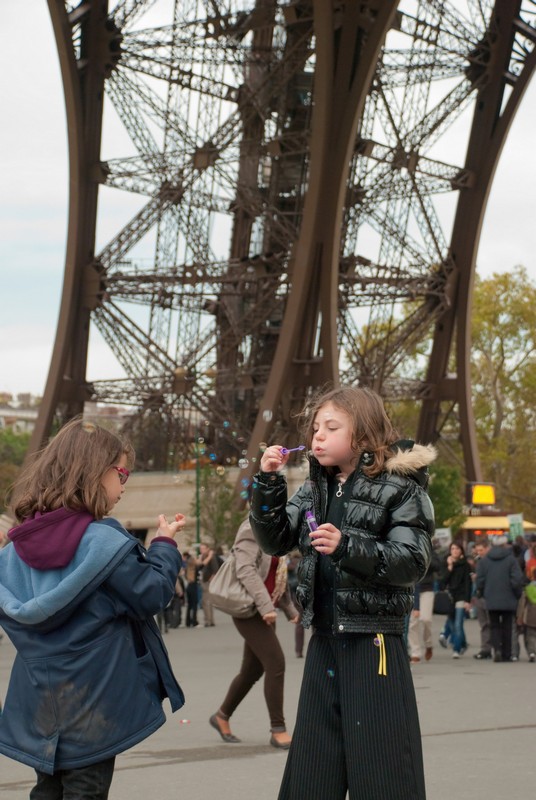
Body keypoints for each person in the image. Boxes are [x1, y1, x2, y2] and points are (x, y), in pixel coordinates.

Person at [249, 385, 435, 800]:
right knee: (314, 765)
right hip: (326, 639)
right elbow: (275, 539)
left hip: (375, 641)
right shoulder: (314, 488)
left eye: (331, 426)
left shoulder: (401, 486)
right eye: (315, 427)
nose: (317, 435)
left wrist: (349, 546)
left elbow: (412, 561)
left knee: (381, 767)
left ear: (365, 436)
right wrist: (267, 483)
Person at [0, 417, 186, 799]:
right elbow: (151, 594)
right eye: (121, 472)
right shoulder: (103, 542)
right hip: (95, 698)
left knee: (48, 787)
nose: (123, 484)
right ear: (93, 472)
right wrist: (164, 545)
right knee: (86, 789)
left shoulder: (16, 549)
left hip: (41, 697)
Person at [209, 519, 299, 748]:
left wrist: (289, 609)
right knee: (276, 663)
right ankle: (278, 729)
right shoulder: (252, 528)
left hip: (264, 608)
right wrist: (266, 607)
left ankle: (221, 715)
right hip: (249, 608)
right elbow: (245, 569)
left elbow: (277, 571)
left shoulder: (276, 528)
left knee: (252, 670)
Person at [476, 534, 524, 662]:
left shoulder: (485, 561)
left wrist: (482, 592)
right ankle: (506, 653)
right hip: (508, 598)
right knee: (508, 626)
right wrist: (517, 594)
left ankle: (496, 649)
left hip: (491, 597)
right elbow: (517, 579)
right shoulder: (511, 560)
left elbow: (480, 580)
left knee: (494, 625)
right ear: (504, 545)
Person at [438, 541, 472, 658]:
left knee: (458, 623)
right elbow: (442, 582)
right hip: (450, 597)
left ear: (461, 551)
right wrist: (449, 568)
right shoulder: (445, 563)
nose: (455, 551)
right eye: (453, 549)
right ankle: (462, 643)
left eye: (457, 549)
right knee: (452, 624)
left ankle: (456, 649)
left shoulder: (465, 565)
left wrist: (468, 601)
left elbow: (468, 583)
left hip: (461, 597)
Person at [408, 550, 442, 663]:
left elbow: (437, 566)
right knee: (413, 622)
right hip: (412, 589)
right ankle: (415, 652)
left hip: (427, 588)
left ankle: (428, 644)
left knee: (426, 619)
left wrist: (425, 557)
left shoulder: (430, 549)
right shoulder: (410, 546)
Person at [471, 537, 492, 659]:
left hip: (489, 595)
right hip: (479, 595)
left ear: (487, 549)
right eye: (477, 550)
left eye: (481, 550)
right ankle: (485, 649)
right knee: (483, 624)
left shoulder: (491, 561)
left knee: (491, 624)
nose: (479, 552)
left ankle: (494, 647)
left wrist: (478, 578)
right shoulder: (477, 561)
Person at [198, 542, 220, 626]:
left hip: (208, 582)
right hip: (203, 580)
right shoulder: (203, 557)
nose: (201, 550)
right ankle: (209, 620)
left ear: (208, 549)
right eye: (201, 549)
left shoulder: (212, 557)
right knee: (207, 602)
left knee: (206, 601)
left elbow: (215, 570)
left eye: (203, 548)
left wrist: (211, 580)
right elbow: (199, 564)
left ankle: (208, 621)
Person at [517, 566, 536, 662]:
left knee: (530, 635)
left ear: (532, 577)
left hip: (531, 616)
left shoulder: (527, 589)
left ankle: (532, 652)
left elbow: (522, 604)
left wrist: (519, 617)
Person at [184, 550, 200, 627]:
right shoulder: (196, 568)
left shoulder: (187, 569)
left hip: (188, 587)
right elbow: (201, 564)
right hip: (194, 586)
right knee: (194, 605)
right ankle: (194, 621)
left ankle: (187, 622)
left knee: (189, 605)